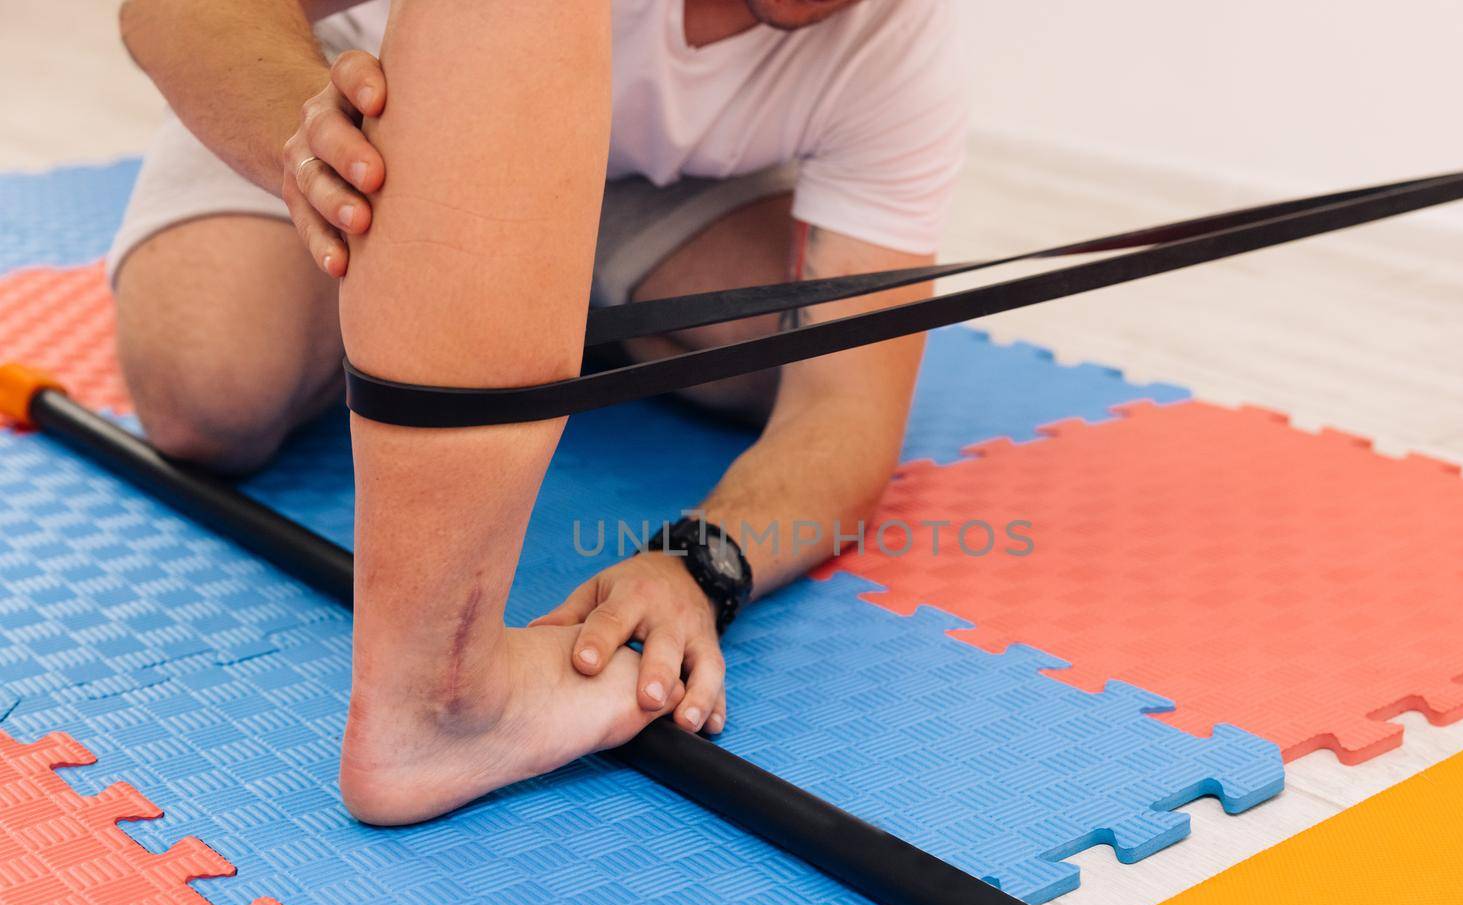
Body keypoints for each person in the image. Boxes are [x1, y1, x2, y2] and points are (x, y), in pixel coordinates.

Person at [112, 0, 967, 824]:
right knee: (212, 391)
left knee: (772, 354)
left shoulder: (901, 41)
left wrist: (700, 565)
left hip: (631, 187)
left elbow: (844, 406)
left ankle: (515, 290)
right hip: (351, 99)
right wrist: (306, 140)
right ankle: (469, 303)